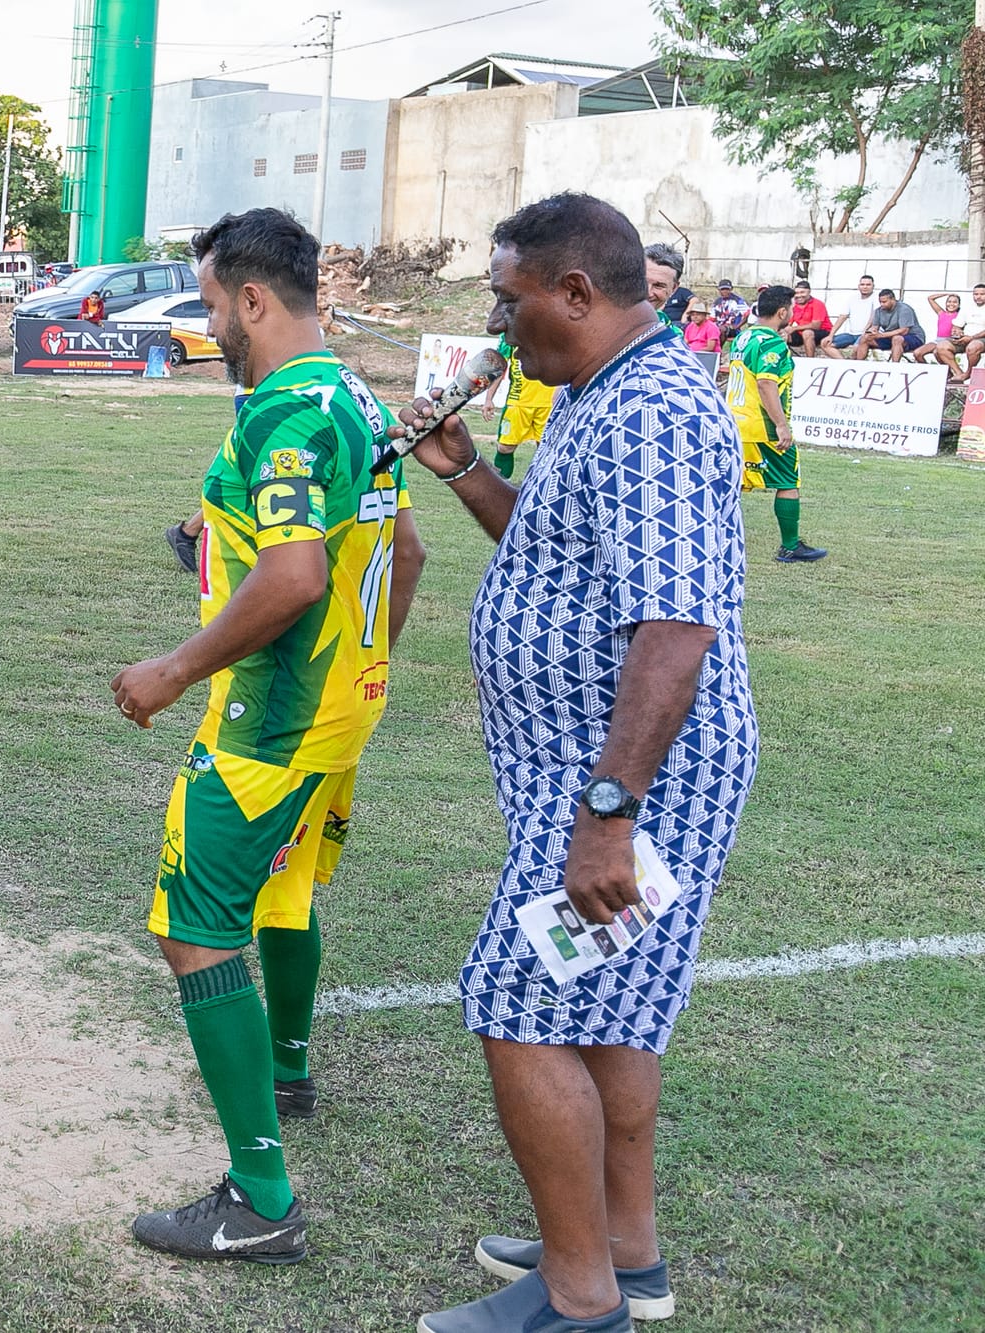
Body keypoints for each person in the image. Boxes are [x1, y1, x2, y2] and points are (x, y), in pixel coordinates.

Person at [400, 193, 757, 1333]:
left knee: (514, 1000)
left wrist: (608, 810)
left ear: (573, 292)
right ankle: (624, 1253)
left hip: (633, 781)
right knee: (607, 1012)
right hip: (584, 773)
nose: (501, 334)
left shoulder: (650, 406)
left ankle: (577, 1295)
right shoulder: (597, 396)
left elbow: (675, 624)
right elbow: (565, 565)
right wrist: (461, 470)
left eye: (509, 305)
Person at [111, 206, 425, 1267]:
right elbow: (407, 554)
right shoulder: (353, 397)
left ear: (252, 298)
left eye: (209, 308)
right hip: (343, 702)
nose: (209, 330)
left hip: (271, 718)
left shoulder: (282, 417)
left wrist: (170, 668)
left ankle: (259, 1194)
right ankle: (284, 1071)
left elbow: (291, 577)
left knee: (193, 922)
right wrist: (359, 665)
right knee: (278, 891)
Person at [729, 285, 827, 563]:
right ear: (783, 312)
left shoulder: (744, 337)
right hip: (763, 427)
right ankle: (790, 546)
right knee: (788, 481)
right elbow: (766, 384)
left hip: (735, 422)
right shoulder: (772, 344)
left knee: (732, 485)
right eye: (792, 309)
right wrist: (781, 426)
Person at [488, 335, 556, 480]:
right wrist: (489, 399)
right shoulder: (511, 331)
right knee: (505, 448)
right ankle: (499, 491)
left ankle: (544, 490)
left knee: (546, 451)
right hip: (518, 402)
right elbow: (500, 368)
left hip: (548, 403)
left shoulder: (555, 326)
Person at [851, 288, 925, 362]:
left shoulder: (904, 309)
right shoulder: (878, 311)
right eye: (880, 302)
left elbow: (904, 331)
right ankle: (858, 364)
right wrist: (871, 332)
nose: (882, 304)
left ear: (892, 300)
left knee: (897, 339)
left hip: (913, 337)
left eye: (884, 302)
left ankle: (894, 366)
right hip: (889, 337)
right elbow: (875, 327)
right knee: (865, 338)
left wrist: (881, 335)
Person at [910, 293, 968, 380]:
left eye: (955, 302)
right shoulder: (941, 313)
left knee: (937, 352)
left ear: (959, 304)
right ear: (946, 303)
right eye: (949, 301)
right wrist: (946, 293)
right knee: (917, 353)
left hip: (949, 341)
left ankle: (949, 373)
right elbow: (930, 298)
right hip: (938, 340)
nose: (951, 304)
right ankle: (930, 372)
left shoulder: (960, 315)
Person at [821, 275, 879, 358]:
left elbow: (874, 316)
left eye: (868, 285)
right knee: (825, 343)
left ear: (873, 286)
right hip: (851, 334)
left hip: (866, 335)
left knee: (856, 349)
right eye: (862, 284)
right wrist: (831, 335)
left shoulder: (877, 298)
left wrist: (865, 332)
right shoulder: (852, 298)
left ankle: (854, 367)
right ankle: (844, 364)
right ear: (859, 286)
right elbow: (842, 317)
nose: (865, 287)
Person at [642, 244, 687, 333]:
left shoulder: (673, 335)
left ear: (673, 288)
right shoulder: (608, 321)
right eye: (642, 282)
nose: (647, 293)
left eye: (658, 286)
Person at [783, 280, 831, 356]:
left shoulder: (818, 304)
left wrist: (794, 328)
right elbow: (789, 322)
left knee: (807, 333)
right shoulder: (794, 305)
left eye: (802, 292)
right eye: (797, 293)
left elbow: (816, 325)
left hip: (822, 332)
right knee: (781, 334)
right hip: (801, 332)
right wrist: (785, 329)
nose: (799, 295)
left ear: (809, 292)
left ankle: (809, 361)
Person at [953, 284, 985, 375]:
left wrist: (971, 338)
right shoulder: (967, 307)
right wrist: (957, 331)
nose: (978, 297)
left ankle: (968, 373)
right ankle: (958, 373)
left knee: (972, 347)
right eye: (976, 294)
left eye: (982, 294)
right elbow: (957, 325)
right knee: (941, 347)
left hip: (980, 339)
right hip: (965, 338)